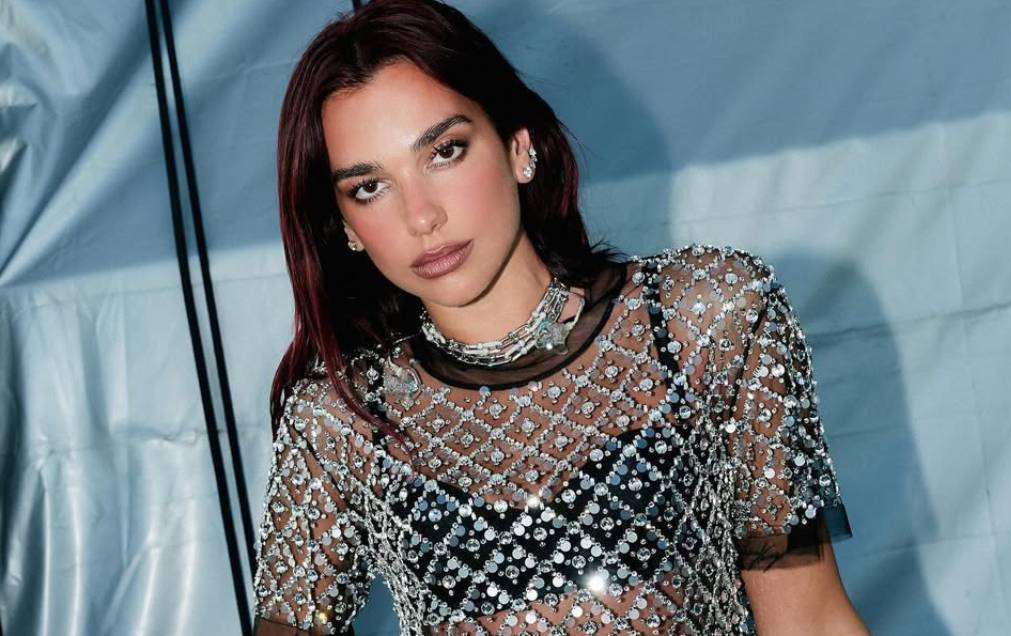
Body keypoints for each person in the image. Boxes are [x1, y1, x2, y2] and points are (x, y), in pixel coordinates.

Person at [251, 1, 868, 634]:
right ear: (347, 227)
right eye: (369, 187)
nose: (421, 216)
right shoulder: (342, 421)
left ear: (518, 147)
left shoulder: (704, 321)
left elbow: (811, 619)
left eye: (445, 151)